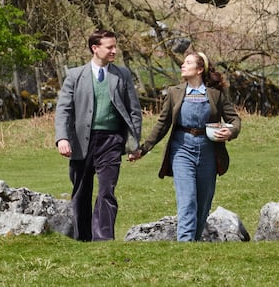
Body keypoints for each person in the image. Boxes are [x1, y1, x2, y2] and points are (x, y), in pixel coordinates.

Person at [139, 51, 241, 241]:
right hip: (181, 149)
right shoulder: (174, 92)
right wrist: (144, 148)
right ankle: (184, 243)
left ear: (200, 69)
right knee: (187, 200)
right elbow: (162, 124)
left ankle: (193, 243)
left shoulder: (216, 94)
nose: (182, 66)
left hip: (209, 151)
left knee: (203, 203)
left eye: (188, 63)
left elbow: (234, 119)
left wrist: (230, 132)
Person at [55, 30, 142, 242]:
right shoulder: (75, 76)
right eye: (109, 47)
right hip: (81, 141)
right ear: (95, 48)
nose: (114, 50)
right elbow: (64, 109)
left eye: (115, 46)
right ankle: (82, 237)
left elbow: (134, 111)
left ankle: (103, 238)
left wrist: (133, 144)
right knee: (81, 191)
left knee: (107, 190)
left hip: (111, 140)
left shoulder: (122, 75)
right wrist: (62, 138)